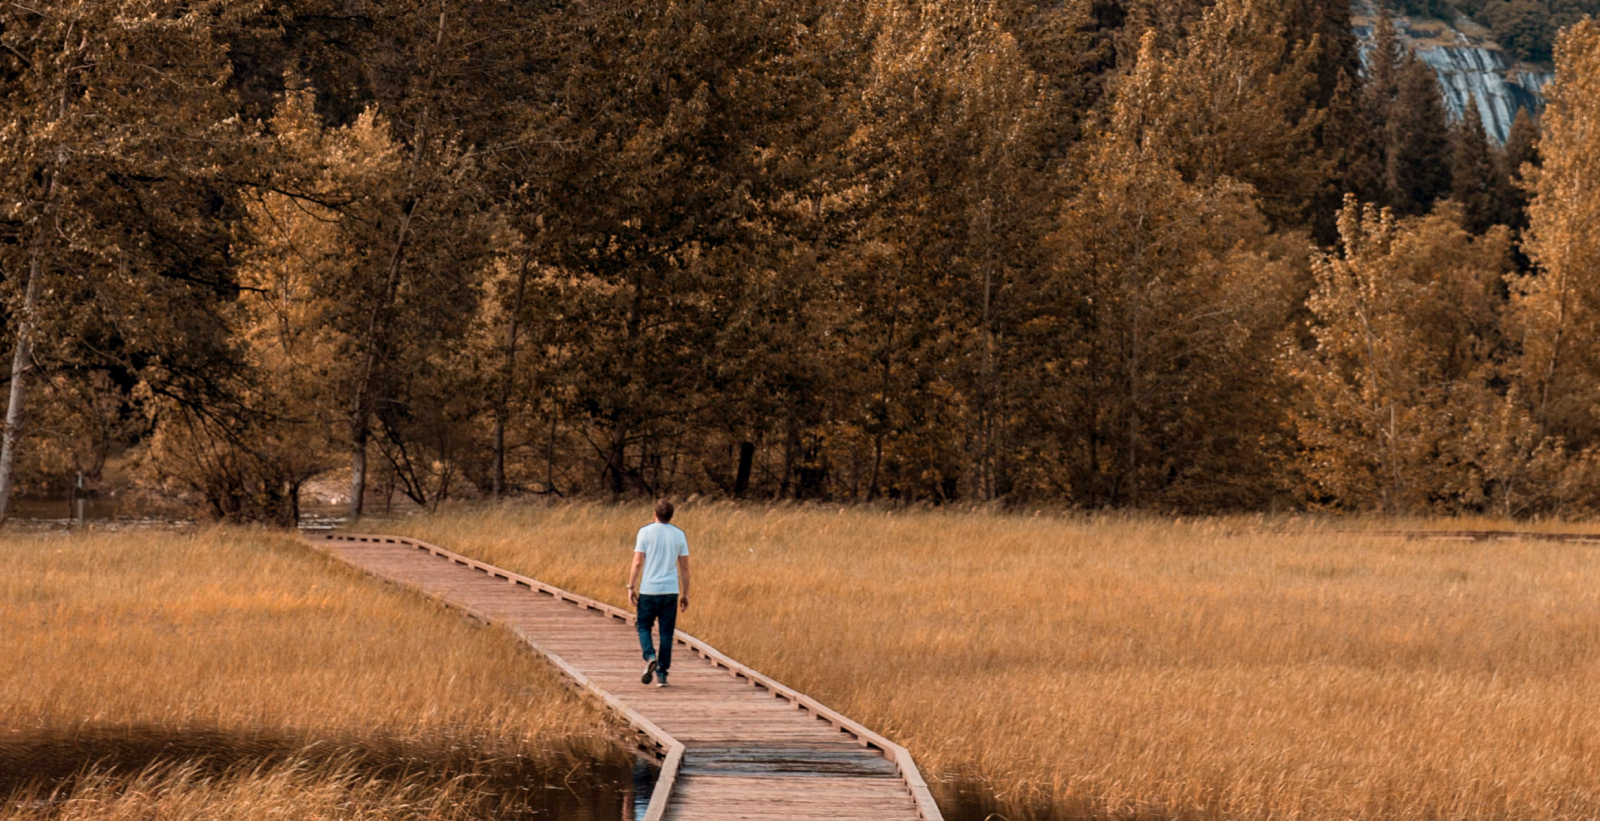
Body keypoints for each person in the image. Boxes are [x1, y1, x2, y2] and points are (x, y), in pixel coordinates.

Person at [627, 498, 690, 687]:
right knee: (666, 633)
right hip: (670, 590)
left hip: (649, 589)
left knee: (644, 626)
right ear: (671, 516)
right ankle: (662, 674)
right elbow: (685, 568)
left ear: (655, 514)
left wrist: (631, 586)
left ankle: (649, 655)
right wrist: (685, 594)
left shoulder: (644, 532)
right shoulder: (679, 535)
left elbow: (637, 562)